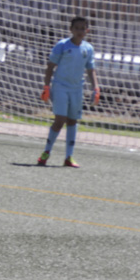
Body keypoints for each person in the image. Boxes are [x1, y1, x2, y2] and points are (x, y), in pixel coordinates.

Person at [38, 15, 100, 168]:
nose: (80, 31)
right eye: (77, 28)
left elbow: (91, 70)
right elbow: (50, 67)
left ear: (87, 30)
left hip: (77, 89)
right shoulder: (62, 45)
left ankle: (69, 157)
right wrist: (46, 87)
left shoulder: (88, 48)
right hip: (60, 87)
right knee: (60, 121)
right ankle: (46, 153)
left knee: (72, 121)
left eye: (83, 28)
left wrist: (96, 88)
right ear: (71, 30)